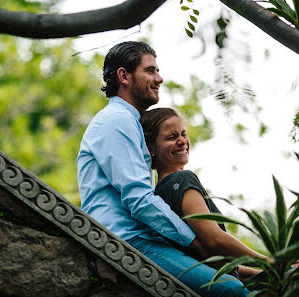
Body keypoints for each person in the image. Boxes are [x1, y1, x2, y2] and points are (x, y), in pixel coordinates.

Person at [77, 41, 252, 296]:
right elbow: (139, 199)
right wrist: (195, 243)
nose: (159, 78)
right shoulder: (117, 120)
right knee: (231, 290)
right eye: (150, 71)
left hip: (144, 239)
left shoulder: (129, 122)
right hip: (129, 241)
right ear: (123, 76)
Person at [140, 107, 266, 282]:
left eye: (183, 134)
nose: (182, 141)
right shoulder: (182, 180)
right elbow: (214, 239)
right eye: (172, 137)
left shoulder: (158, 194)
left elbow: (212, 259)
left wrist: (265, 275)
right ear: (151, 147)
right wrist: (271, 263)